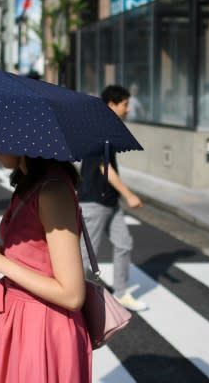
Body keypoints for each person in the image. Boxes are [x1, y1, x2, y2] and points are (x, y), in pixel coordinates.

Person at [0, 155, 91, 382]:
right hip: (21, 318)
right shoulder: (31, 182)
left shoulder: (53, 191)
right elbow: (34, 258)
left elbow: (71, 294)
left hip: (43, 326)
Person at [78, 84, 147, 312]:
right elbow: (102, 166)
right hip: (93, 201)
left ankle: (120, 292)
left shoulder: (107, 128)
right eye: (125, 104)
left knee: (124, 244)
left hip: (109, 200)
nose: (128, 109)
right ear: (111, 105)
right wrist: (129, 194)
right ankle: (77, 299)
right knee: (87, 255)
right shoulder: (100, 129)